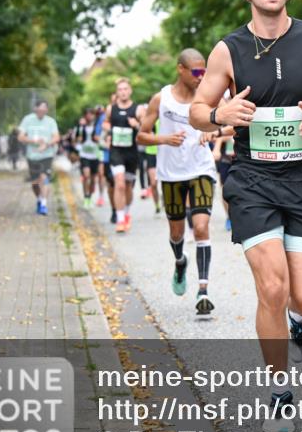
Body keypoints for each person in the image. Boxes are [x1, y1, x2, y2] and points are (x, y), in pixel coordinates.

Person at [190, 0, 302, 432]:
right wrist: (221, 116)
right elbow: (199, 109)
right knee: (273, 287)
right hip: (253, 180)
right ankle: (280, 391)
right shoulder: (228, 50)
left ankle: (299, 325)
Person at [138, 49, 220, 315]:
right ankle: (180, 261)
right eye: (196, 72)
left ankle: (203, 290)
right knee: (176, 234)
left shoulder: (208, 97)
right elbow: (142, 135)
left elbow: (231, 124)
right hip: (171, 173)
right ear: (180, 70)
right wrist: (164, 139)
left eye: (204, 71)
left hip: (201, 168)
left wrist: (214, 133)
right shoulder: (161, 99)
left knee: (200, 226)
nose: (201, 77)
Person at [104, 79, 141, 233]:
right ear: (117, 92)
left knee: (127, 186)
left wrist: (136, 125)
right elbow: (105, 123)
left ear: (130, 90)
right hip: (116, 151)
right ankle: (120, 219)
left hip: (131, 152)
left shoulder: (138, 109)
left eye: (126, 89)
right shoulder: (110, 109)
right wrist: (110, 130)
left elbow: (146, 127)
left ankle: (126, 212)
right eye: (120, 89)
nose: (123, 92)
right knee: (119, 183)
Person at [17, 100, 60, 216]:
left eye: (44, 109)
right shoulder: (27, 120)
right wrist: (34, 141)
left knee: (44, 178)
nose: (42, 111)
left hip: (47, 155)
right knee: (35, 183)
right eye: (39, 109)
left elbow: (56, 137)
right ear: (35, 109)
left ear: (47, 110)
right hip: (32, 155)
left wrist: (47, 144)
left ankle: (44, 204)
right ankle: (39, 199)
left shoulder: (50, 122)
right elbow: (20, 137)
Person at [76, 108, 101, 208]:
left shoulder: (98, 127)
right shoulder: (81, 127)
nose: (89, 116)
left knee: (93, 179)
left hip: (95, 155)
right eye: (88, 114)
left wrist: (98, 139)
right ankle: (86, 197)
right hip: (84, 155)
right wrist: (79, 139)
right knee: (86, 176)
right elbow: (76, 139)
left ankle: (90, 197)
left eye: (92, 114)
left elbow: (102, 138)